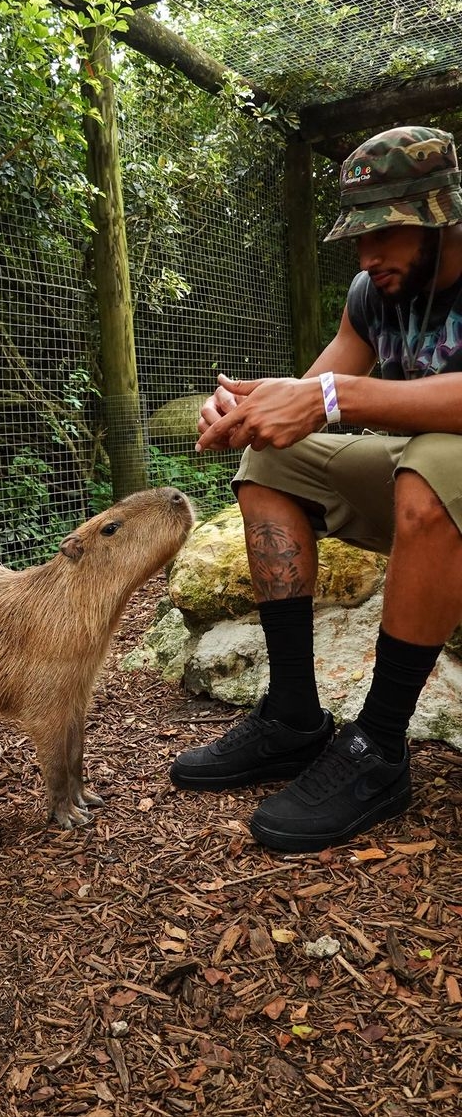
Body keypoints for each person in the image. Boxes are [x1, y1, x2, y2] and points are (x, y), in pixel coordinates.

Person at [169, 126, 462, 854]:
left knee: (432, 466)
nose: (365, 258)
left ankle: (381, 748)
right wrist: (248, 411)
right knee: (273, 463)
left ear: (440, 216)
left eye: (383, 235)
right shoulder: (373, 292)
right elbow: (311, 393)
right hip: (423, 471)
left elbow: (339, 395)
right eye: (356, 239)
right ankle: (295, 716)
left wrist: (332, 397)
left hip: (442, 481)